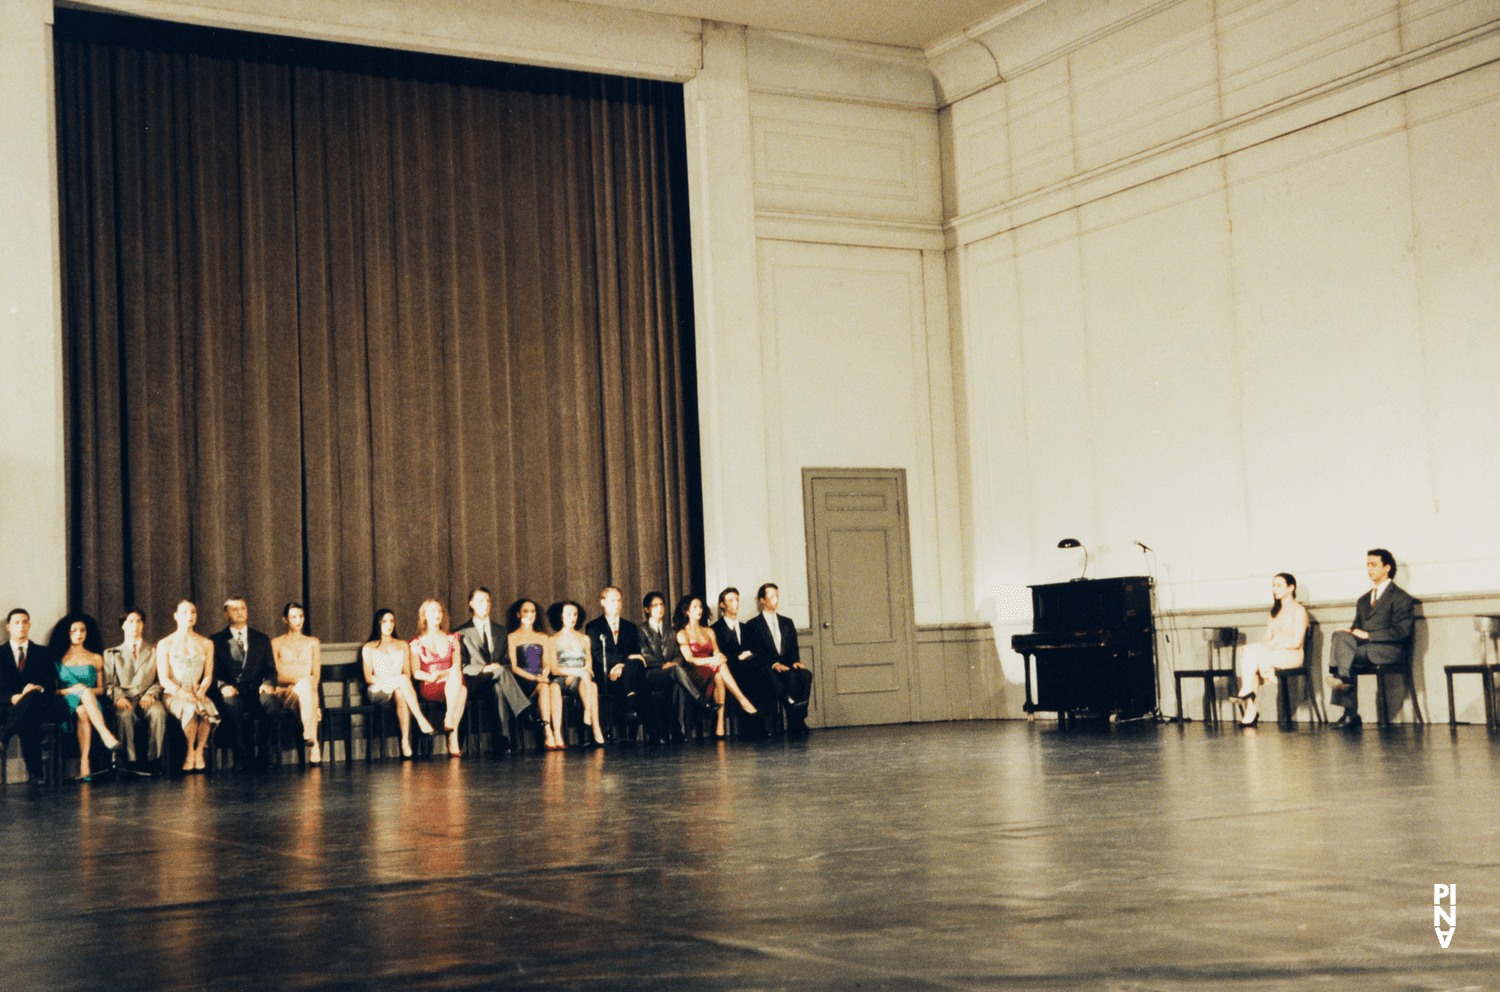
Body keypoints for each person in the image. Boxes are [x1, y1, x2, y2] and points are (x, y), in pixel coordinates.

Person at [1327, 549, 1416, 729]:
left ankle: (1349, 710)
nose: (1369, 569)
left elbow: (1402, 631)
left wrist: (1369, 635)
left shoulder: (1401, 597)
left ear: (1387, 567)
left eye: (1374, 565)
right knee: (1339, 636)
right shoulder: (1363, 600)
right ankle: (1344, 677)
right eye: (1367, 565)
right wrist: (1350, 631)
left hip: (1390, 650)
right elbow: (1357, 628)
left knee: (1346, 654)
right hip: (1364, 650)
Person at [456, 587, 534, 754]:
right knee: (499, 672)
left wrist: (495, 669)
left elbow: (506, 662)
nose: (486, 604)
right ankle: (525, 712)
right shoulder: (461, 633)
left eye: (488, 601)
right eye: (481, 601)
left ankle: (502, 740)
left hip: (497, 681)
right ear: (471, 604)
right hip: (473, 683)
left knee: (499, 685)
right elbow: (461, 666)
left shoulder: (500, 630)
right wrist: (484, 668)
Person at [49, 613, 123, 780]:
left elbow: (101, 689)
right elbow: (53, 691)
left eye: (82, 630)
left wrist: (85, 691)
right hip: (66, 701)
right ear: (66, 633)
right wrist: (75, 690)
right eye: (73, 630)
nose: (78, 634)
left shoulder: (96, 658)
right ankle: (105, 734)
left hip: (92, 704)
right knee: (82, 694)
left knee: (83, 710)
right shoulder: (58, 659)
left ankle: (84, 762)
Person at [674, 595, 758, 738]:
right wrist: (713, 660)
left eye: (700, 606)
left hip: (712, 670)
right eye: (695, 607)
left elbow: (717, 653)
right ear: (686, 611)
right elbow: (690, 659)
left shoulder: (708, 631)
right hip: (693, 674)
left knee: (719, 674)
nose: (699, 610)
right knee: (718, 668)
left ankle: (720, 723)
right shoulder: (682, 633)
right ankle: (742, 701)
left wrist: (720, 657)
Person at [1231, 573, 1309, 726]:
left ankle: (1246, 694)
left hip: (1292, 655)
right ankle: (1250, 708)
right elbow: (1266, 639)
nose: (1275, 589)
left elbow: (1296, 642)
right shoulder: (1274, 612)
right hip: (1274, 653)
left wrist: (1275, 645)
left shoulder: (1299, 610)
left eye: (1279, 585)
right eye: (1273, 585)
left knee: (1255, 658)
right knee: (1249, 651)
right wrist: (1267, 645)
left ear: (1291, 587)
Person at [209, 597, 277, 770]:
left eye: (243, 608)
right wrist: (223, 686)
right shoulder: (216, 640)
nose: (240, 612)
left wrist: (268, 683)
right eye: (234, 609)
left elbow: (270, 670)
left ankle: (263, 753)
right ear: (226, 614)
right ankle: (241, 757)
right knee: (231, 704)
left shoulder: (261, 638)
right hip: (232, 693)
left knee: (271, 702)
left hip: (255, 691)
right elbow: (212, 673)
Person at [360, 608, 435, 759]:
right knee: (401, 681)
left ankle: (404, 741)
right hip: (377, 688)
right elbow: (368, 677)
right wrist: (390, 682)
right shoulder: (369, 647)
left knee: (401, 691)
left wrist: (397, 683)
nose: (389, 625)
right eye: (385, 621)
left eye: (392, 621)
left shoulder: (402, 644)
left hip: (398, 687)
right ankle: (421, 720)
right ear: (378, 623)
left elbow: (407, 673)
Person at [639, 591, 712, 742]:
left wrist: (674, 663)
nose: (660, 608)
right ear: (647, 609)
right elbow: (644, 655)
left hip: (671, 672)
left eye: (662, 605)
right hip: (651, 674)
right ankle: (701, 700)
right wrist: (664, 665)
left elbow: (679, 655)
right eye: (655, 605)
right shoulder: (641, 630)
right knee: (677, 672)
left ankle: (678, 731)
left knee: (678, 684)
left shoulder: (671, 631)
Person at [156, 600, 219, 772]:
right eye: (184, 612)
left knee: (207, 708)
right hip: (174, 693)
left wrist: (202, 689)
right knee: (190, 708)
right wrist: (181, 693)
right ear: (176, 616)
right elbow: (163, 679)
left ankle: (199, 751)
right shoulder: (165, 643)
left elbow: (208, 675)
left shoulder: (206, 643)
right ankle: (190, 750)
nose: (189, 616)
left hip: (197, 691)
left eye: (192, 612)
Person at [741, 583, 813, 734]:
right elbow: (756, 652)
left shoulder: (787, 622)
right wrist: (773, 664)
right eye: (772, 596)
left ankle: (798, 718)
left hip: (787, 665)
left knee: (806, 674)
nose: (776, 600)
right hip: (768, 669)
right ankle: (795, 722)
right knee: (791, 677)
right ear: (762, 600)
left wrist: (795, 661)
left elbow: (793, 647)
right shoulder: (752, 625)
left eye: (777, 596)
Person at [0, 608, 59, 786]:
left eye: (25, 622)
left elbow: (50, 687)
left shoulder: (43, 653)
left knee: (32, 700)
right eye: (17, 622)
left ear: (30, 625)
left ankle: (3, 737)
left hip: (36, 705)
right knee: (27, 717)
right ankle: (36, 773)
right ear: (8, 627)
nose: (21, 626)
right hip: (6, 707)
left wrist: (37, 688)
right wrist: (14, 698)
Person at [103, 608, 165, 771]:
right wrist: (118, 698)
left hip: (147, 696)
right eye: (131, 621)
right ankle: (129, 762)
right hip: (125, 697)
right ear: (123, 626)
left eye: (139, 621)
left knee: (158, 713)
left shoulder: (154, 650)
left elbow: (160, 679)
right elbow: (109, 683)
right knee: (124, 716)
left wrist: (151, 694)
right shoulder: (111, 653)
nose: (135, 625)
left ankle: (155, 760)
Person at [712, 586, 779, 737]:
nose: (735, 603)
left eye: (737, 600)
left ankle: (758, 725)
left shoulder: (746, 627)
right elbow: (720, 654)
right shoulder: (715, 629)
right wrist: (738, 657)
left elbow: (754, 649)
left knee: (756, 672)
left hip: (749, 669)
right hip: (730, 671)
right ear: (722, 605)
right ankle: (781, 695)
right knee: (756, 669)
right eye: (730, 600)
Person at [584, 587, 646, 740]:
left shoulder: (630, 627)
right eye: (613, 600)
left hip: (626, 671)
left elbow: (635, 652)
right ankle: (631, 709)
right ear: (602, 602)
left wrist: (622, 665)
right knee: (634, 670)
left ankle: (631, 717)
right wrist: (623, 662)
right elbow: (599, 654)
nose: (617, 604)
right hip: (605, 674)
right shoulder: (593, 627)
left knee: (636, 666)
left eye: (619, 600)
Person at [544, 601, 607, 748]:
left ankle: (594, 723)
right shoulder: (552, 639)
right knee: (587, 684)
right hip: (561, 679)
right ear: (561, 616)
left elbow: (589, 663)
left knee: (591, 684)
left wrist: (578, 674)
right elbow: (554, 669)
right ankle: (587, 726)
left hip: (580, 679)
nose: (572, 617)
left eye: (575, 614)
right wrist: (574, 672)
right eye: (568, 614)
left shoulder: (584, 638)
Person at [411, 599, 467, 756]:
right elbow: (416, 672)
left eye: (440, 611)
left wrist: (444, 674)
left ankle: (450, 721)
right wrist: (431, 676)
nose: (437, 614)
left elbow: (457, 665)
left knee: (458, 681)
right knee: (462, 691)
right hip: (431, 684)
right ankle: (452, 734)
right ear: (424, 616)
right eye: (433, 611)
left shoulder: (452, 639)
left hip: (451, 681)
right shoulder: (416, 642)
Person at [268, 602, 322, 764]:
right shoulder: (276, 643)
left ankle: (311, 740)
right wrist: (298, 681)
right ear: (285, 620)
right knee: (306, 685)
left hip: (306, 691)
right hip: (285, 693)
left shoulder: (313, 642)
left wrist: (303, 683)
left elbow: (316, 675)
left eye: (300, 616)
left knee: (307, 685)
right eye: (293, 617)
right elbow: (276, 675)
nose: (298, 620)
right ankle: (312, 739)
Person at [505, 599, 556, 749]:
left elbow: (547, 663)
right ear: (518, 614)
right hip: (521, 680)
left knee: (546, 687)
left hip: (539, 680)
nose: (530, 614)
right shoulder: (512, 637)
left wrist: (545, 673)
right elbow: (513, 667)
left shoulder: (542, 637)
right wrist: (535, 677)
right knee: (543, 686)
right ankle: (548, 732)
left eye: (532, 611)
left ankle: (547, 731)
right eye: (526, 611)